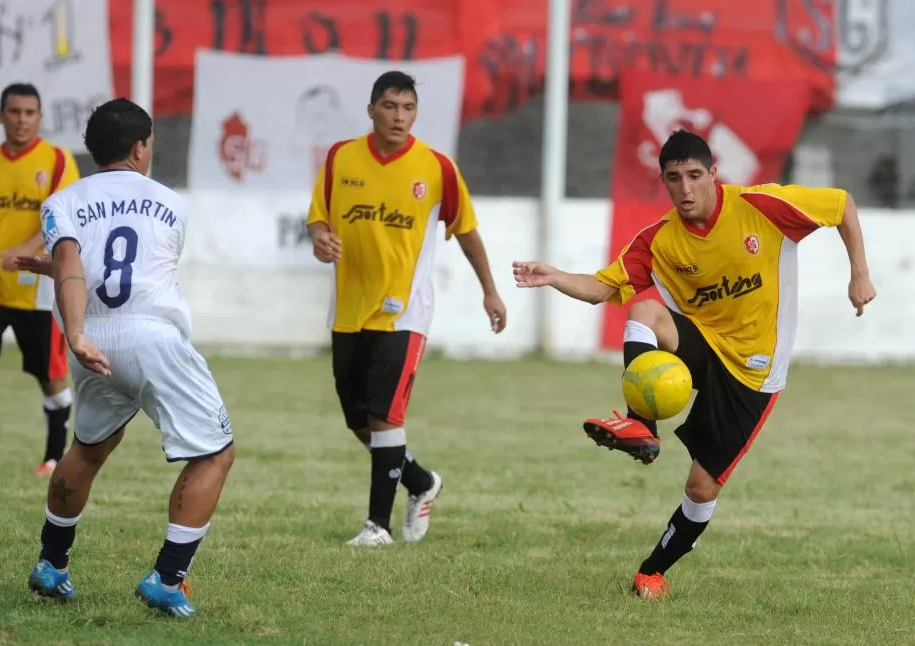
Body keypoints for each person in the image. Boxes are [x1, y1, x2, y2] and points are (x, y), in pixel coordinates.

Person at [512, 129, 876, 599]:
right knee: (643, 310)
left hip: (753, 371)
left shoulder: (761, 207)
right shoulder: (660, 240)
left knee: (702, 488)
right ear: (663, 181)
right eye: (673, 178)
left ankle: (652, 571)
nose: (685, 189)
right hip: (704, 346)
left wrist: (859, 273)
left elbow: (842, 204)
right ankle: (641, 427)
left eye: (694, 176)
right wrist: (555, 275)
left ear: (714, 174)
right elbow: (603, 288)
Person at [13, 98, 235, 618]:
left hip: (94, 338)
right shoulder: (172, 203)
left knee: (87, 449)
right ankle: (167, 578)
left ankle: (52, 564)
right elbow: (134, 270)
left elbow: (74, 265)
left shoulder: (60, 202)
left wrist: (75, 334)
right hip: (153, 338)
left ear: (92, 150)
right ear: (140, 147)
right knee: (215, 453)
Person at [306, 71, 507, 546]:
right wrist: (319, 238)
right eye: (390, 106)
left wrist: (490, 291)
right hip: (348, 312)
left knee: (385, 417)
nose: (399, 116)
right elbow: (317, 216)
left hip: (405, 315)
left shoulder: (436, 167)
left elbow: (467, 231)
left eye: (408, 108)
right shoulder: (341, 157)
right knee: (360, 423)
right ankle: (420, 482)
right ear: (371, 109)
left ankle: (378, 526)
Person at [0, 82, 80, 477]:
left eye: (29, 113)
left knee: (51, 377)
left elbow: (60, 220)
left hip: (39, 289)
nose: (21, 119)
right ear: (0, 116)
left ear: (40, 118)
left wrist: (25, 249)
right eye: (14, 112)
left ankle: (54, 459)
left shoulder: (58, 160)